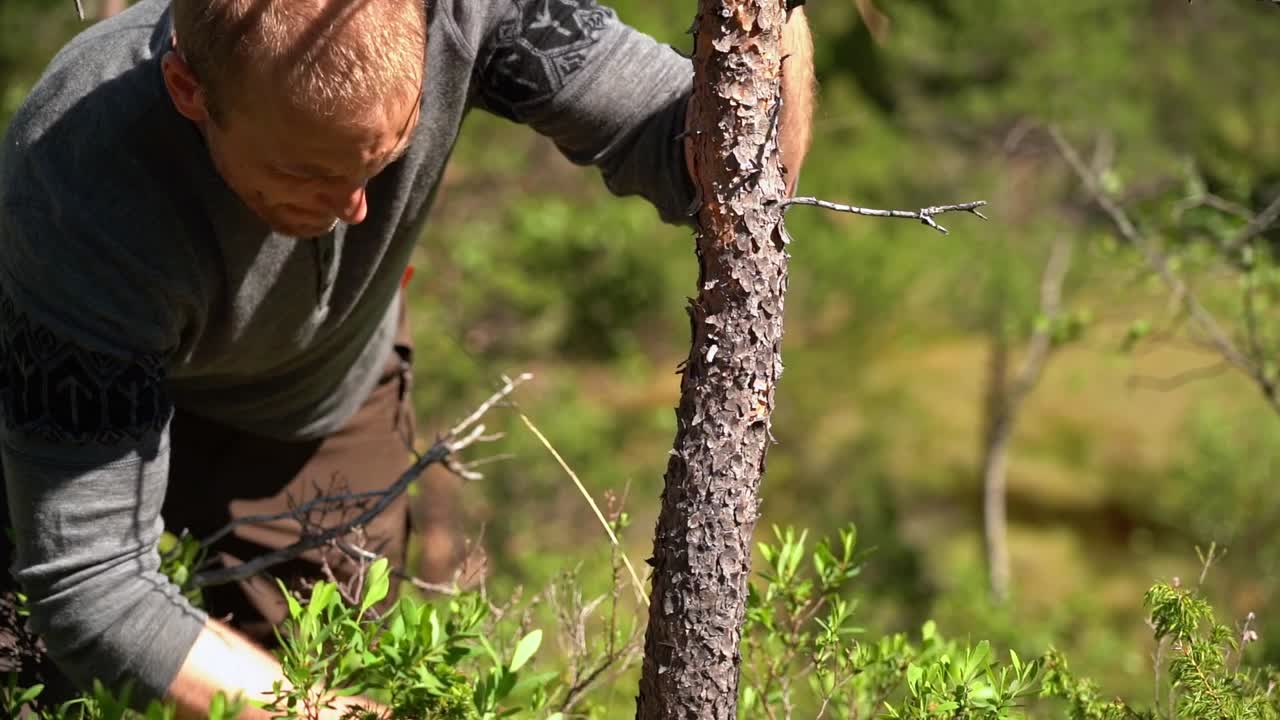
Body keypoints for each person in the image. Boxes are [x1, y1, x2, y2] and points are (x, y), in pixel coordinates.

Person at [0, 0, 814, 716]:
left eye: (381, 158)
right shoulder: (78, 185)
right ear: (189, 90)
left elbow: (726, 161)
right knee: (52, 684)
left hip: (313, 405)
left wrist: (774, 14)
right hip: (81, 382)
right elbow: (89, 586)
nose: (354, 209)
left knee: (318, 652)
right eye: (306, 170)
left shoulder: (471, 11)